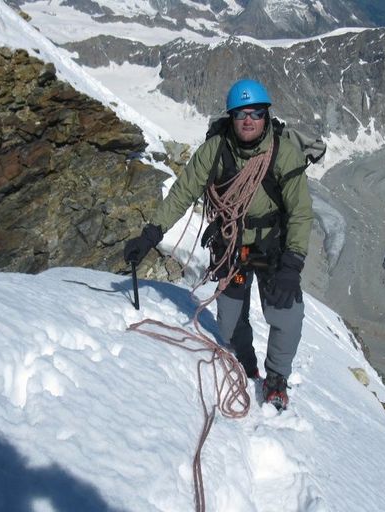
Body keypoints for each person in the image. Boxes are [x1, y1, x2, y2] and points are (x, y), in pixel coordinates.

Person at [124, 79, 313, 410]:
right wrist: (151, 233)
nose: (248, 120)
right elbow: (183, 191)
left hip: (273, 244)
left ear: (267, 115)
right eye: (241, 114)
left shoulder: (283, 152)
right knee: (229, 320)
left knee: (286, 315)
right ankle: (245, 361)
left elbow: (299, 212)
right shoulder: (216, 149)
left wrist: (292, 264)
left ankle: (277, 377)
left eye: (256, 112)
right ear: (231, 118)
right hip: (232, 243)